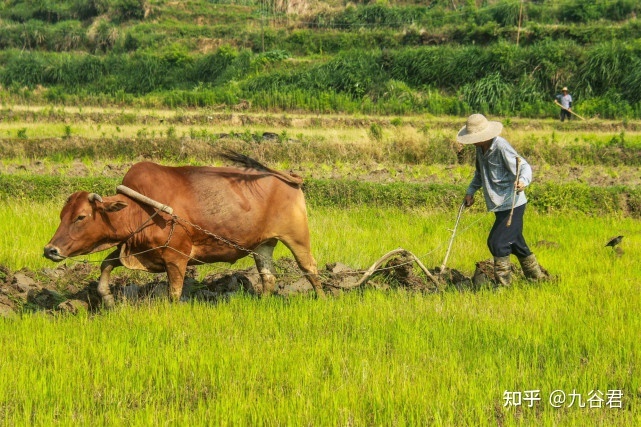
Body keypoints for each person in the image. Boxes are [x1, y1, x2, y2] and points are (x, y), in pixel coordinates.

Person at [457, 114, 548, 286]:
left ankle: (503, 286)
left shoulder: (501, 146)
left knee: (496, 242)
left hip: (512, 203)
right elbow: (480, 174)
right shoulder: (480, 149)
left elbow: (524, 166)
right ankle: (538, 279)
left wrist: (523, 181)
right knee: (515, 243)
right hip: (497, 205)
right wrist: (471, 192)